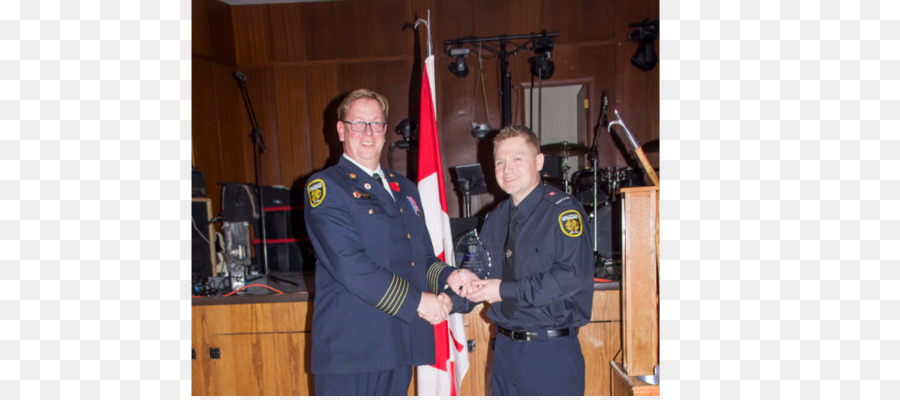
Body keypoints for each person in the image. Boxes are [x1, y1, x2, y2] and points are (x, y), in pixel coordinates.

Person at [303, 89, 478, 395]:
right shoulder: (326, 187)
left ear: (385, 131)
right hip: (351, 351)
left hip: (398, 343)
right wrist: (418, 302)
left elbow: (421, 259)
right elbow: (351, 266)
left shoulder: (405, 188)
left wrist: (449, 275)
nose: (368, 132)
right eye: (358, 123)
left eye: (376, 124)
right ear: (341, 130)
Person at [456, 125, 594, 395]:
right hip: (505, 351)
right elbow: (480, 274)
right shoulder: (493, 220)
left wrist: (501, 290)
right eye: (500, 162)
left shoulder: (564, 212)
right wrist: (459, 287)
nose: (507, 169)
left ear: (539, 161)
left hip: (550, 354)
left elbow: (570, 277)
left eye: (517, 158)